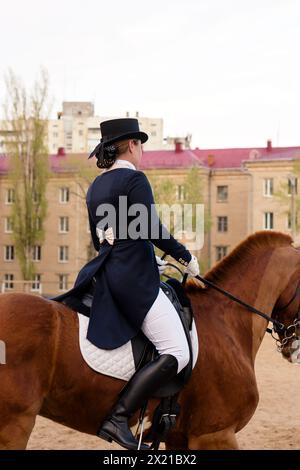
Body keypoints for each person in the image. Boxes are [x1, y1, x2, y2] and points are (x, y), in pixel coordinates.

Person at [52, 118, 200, 450]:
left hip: (106, 274)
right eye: (142, 145)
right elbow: (150, 226)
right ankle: (120, 417)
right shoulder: (135, 179)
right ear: (132, 145)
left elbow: (103, 240)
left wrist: (150, 257)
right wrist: (184, 257)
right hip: (133, 281)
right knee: (177, 351)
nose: (143, 151)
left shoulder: (96, 186)